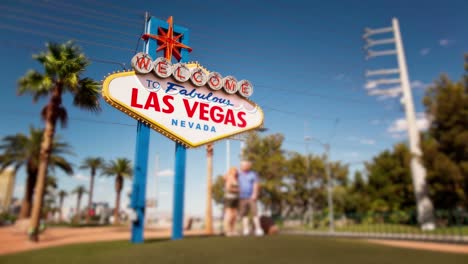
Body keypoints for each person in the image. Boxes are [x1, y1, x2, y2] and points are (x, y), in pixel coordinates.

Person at [238, 160, 263, 236]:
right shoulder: (238, 174)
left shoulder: (253, 174)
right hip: (242, 197)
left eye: (245, 165)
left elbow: (256, 184)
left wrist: (255, 194)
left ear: (248, 166)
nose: (243, 166)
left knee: (255, 213)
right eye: (242, 165)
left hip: (251, 197)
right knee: (244, 214)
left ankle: (258, 229)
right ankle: (246, 229)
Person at [223, 167, 240, 236]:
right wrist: (238, 190)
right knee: (229, 214)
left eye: (236, 171)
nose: (235, 172)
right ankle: (227, 230)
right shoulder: (229, 178)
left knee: (234, 215)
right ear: (230, 171)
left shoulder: (236, 179)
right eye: (233, 171)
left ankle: (233, 230)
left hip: (235, 198)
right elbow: (228, 189)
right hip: (229, 198)